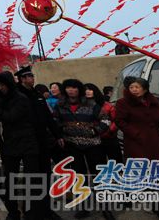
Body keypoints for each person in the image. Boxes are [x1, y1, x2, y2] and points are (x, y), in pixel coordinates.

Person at [115, 77, 159, 220]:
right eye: (132, 87)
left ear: (144, 89)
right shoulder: (123, 103)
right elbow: (120, 121)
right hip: (138, 145)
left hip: (157, 143)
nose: (134, 89)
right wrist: (136, 134)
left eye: (137, 87)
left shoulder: (153, 102)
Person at [53, 79, 110, 219]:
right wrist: (60, 133)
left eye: (74, 88)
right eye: (68, 88)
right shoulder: (60, 106)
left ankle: (105, 208)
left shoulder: (91, 104)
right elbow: (54, 122)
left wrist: (95, 131)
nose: (71, 90)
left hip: (93, 145)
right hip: (72, 146)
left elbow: (106, 119)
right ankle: (84, 207)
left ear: (79, 90)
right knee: (79, 178)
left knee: (98, 176)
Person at [15, 66, 62, 220]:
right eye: (29, 76)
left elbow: (48, 117)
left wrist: (57, 135)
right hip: (28, 143)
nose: (32, 78)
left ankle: (46, 210)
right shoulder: (18, 95)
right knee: (32, 178)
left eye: (32, 76)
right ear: (22, 79)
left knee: (45, 176)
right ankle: (31, 213)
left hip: (43, 141)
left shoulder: (37, 95)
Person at [0, 71, 41, 220]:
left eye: (3, 85)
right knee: (10, 180)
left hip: (27, 143)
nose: (1, 88)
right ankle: (13, 212)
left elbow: (11, 116)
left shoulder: (21, 98)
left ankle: (30, 211)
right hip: (10, 144)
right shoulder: (0, 99)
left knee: (31, 180)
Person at [85, 83, 122, 163]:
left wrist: (110, 130)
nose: (87, 91)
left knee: (116, 162)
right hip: (93, 139)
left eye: (90, 89)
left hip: (110, 138)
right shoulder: (83, 106)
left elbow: (116, 120)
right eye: (85, 90)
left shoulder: (107, 105)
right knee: (99, 163)